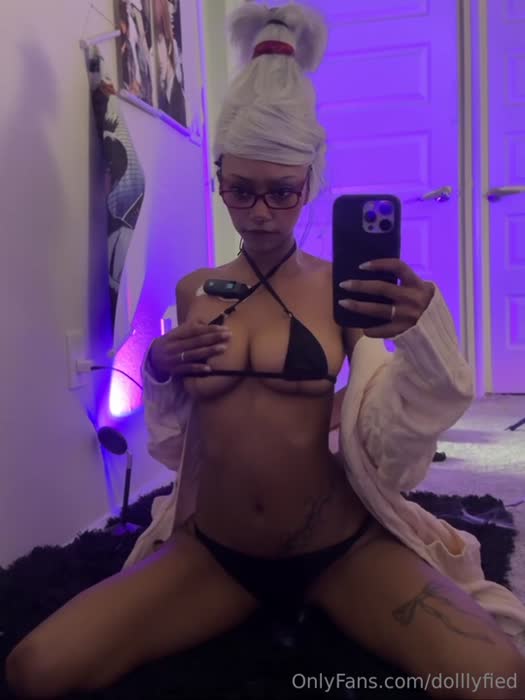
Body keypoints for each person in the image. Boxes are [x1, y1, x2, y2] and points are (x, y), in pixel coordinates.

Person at [6, 4, 525, 699]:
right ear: (218, 177)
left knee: (496, 678)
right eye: (240, 190)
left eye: (281, 193)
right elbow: (174, 437)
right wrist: (159, 366)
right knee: (35, 670)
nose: (258, 212)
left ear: (308, 184)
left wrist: (422, 332)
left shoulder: (341, 288)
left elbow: (395, 433)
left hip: (339, 549)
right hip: (215, 552)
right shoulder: (195, 289)